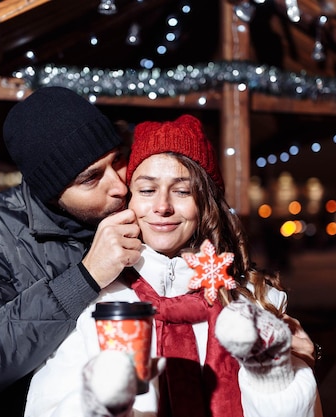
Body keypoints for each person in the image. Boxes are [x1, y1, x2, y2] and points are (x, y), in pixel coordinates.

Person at [24, 114, 321, 416]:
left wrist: (273, 378)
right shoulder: (101, 305)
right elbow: (43, 407)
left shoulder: (254, 301)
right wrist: (99, 406)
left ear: (206, 202)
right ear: (129, 203)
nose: (162, 206)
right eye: (147, 190)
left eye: (182, 191)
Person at [0, 86, 144, 417]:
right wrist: (84, 278)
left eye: (117, 160)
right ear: (51, 190)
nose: (119, 186)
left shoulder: (143, 207)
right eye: (91, 179)